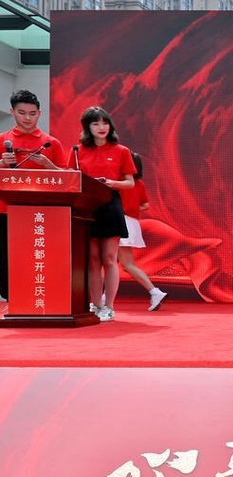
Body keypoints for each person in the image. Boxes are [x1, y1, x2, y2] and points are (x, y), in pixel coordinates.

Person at [0, 90, 67, 303]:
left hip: (43, 211)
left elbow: (68, 178)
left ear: (39, 113)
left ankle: (38, 297)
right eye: (22, 113)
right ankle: (10, 298)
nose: (27, 118)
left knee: (38, 256)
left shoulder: (51, 143)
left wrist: (49, 165)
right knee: (6, 256)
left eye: (32, 113)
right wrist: (2, 163)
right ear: (12, 112)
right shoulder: (2, 140)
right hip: (5, 209)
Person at [76, 106, 137, 322]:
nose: (101, 127)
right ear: (88, 127)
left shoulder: (121, 151)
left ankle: (109, 306)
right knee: (92, 260)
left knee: (109, 258)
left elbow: (130, 183)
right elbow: (72, 178)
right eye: (95, 123)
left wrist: (112, 183)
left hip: (110, 205)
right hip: (87, 207)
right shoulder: (78, 151)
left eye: (105, 123)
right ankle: (96, 304)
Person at [118, 152, 168, 311]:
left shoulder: (119, 183)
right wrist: (132, 208)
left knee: (122, 264)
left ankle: (154, 291)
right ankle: (103, 298)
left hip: (120, 222)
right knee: (120, 264)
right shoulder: (139, 184)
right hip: (131, 222)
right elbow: (145, 205)